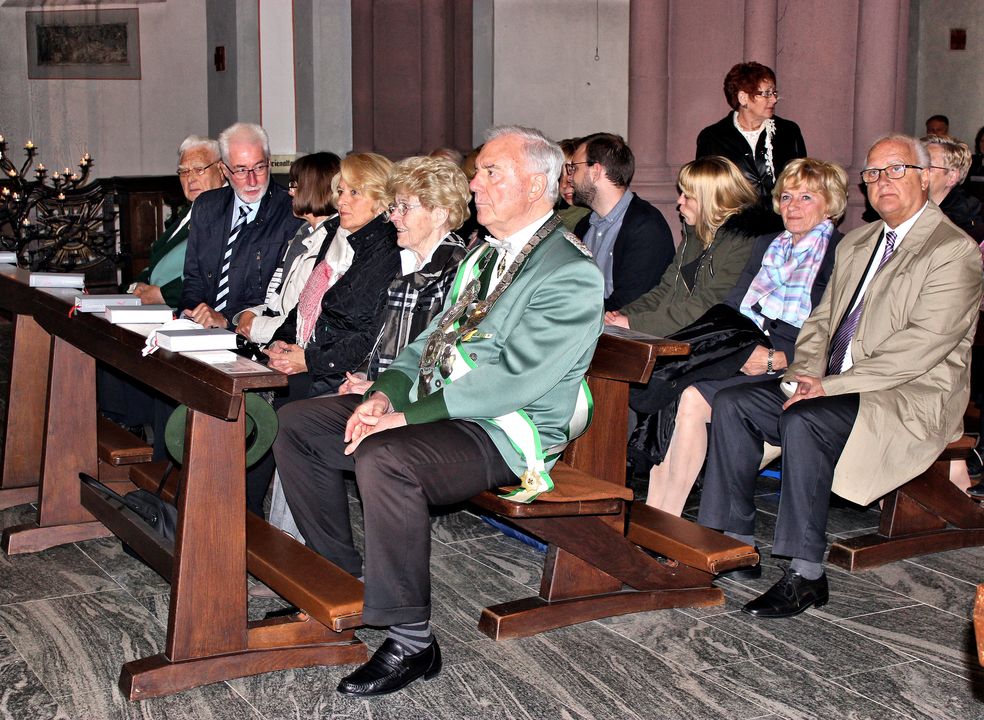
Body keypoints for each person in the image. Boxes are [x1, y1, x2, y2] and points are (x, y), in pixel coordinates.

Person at [275, 125, 604, 696]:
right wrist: (383, 396)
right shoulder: (485, 257)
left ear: (535, 186)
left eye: (491, 173)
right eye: (478, 173)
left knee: (386, 455)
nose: (475, 184)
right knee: (300, 423)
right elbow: (427, 342)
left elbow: (513, 380)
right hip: (446, 411)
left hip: (506, 428)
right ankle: (342, 582)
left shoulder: (569, 271)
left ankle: (412, 641)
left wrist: (404, 417)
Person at [696, 134, 983, 618]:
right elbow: (821, 321)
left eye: (896, 170)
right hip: (833, 383)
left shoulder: (952, 250)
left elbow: (920, 348)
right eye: (872, 173)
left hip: (908, 392)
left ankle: (806, 573)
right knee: (735, 402)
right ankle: (735, 542)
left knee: (806, 419)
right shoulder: (860, 242)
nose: (882, 181)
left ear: (924, 178)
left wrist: (826, 386)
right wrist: (805, 374)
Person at [259, 155, 470, 559]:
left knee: (309, 418)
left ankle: (322, 560)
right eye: (394, 206)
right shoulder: (408, 260)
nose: (394, 216)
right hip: (380, 389)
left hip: (425, 406)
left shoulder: (456, 270)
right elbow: (381, 338)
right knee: (292, 422)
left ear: (440, 213)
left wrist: (379, 386)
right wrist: (365, 377)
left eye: (403, 207)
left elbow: (449, 359)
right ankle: (329, 563)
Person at [639, 158, 847, 516]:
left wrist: (777, 358)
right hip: (746, 344)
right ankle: (656, 513)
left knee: (691, 398)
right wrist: (737, 349)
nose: (792, 206)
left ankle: (665, 516)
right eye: (786, 197)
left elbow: (835, 328)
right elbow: (733, 305)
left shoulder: (841, 253)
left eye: (806, 198)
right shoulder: (767, 244)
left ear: (830, 204)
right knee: (674, 386)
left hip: (795, 361)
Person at [243, 152, 399, 516]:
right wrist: (281, 343)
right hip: (315, 355)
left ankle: (248, 513)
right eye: (341, 191)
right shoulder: (342, 238)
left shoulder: (387, 252)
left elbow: (367, 337)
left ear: (381, 199)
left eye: (355, 192)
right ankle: (234, 506)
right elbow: (305, 306)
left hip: (343, 371)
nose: (342, 200)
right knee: (248, 383)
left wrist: (307, 360)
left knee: (275, 403)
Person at [605, 156, 763, 337]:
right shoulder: (695, 235)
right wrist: (622, 315)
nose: (679, 201)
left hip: (710, 340)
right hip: (679, 335)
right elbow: (664, 291)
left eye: (687, 196)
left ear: (710, 199)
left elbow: (709, 304)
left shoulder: (744, 242)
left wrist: (634, 323)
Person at [180, 122, 304, 328]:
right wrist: (194, 313)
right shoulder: (206, 206)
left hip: (254, 333)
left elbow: (278, 294)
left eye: (259, 167)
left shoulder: (292, 212)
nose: (252, 180)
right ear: (224, 170)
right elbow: (194, 278)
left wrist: (226, 319)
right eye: (241, 170)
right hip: (201, 330)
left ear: (269, 162)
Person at [234, 152, 341, 344]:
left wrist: (255, 327)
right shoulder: (303, 236)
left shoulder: (332, 244)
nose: (290, 192)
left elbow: (309, 318)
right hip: (276, 336)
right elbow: (277, 299)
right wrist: (250, 313)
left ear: (313, 189)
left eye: (295, 185)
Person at [569, 132, 674, 310]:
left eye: (574, 168)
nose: (570, 178)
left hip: (619, 326)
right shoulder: (584, 226)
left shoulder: (646, 227)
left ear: (596, 171)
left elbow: (633, 303)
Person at [696, 61, 806, 230]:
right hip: (733, 232)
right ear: (743, 98)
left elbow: (804, 182)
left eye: (774, 93)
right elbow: (705, 191)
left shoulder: (789, 132)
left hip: (781, 229)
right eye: (766, 93)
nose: (774, 99)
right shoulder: (712, 138)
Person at [129, 135, 225, 307]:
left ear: (221, 169)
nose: (190, 179)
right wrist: (138, 285)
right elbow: (160, 260)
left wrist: (163, 295)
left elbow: (216, 272)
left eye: (199, 169)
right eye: (184, 172)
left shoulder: (227, 211)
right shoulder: (192, 210)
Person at [922, 134, 984, 241]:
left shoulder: (965, 223)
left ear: (952, 177)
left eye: (927, 166)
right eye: (915, 165)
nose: (915, 172)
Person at [556, 137, 590, 231]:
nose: (564, 184)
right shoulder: (550, 207)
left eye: (572, 172)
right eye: (559, 175)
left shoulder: (589, 219)